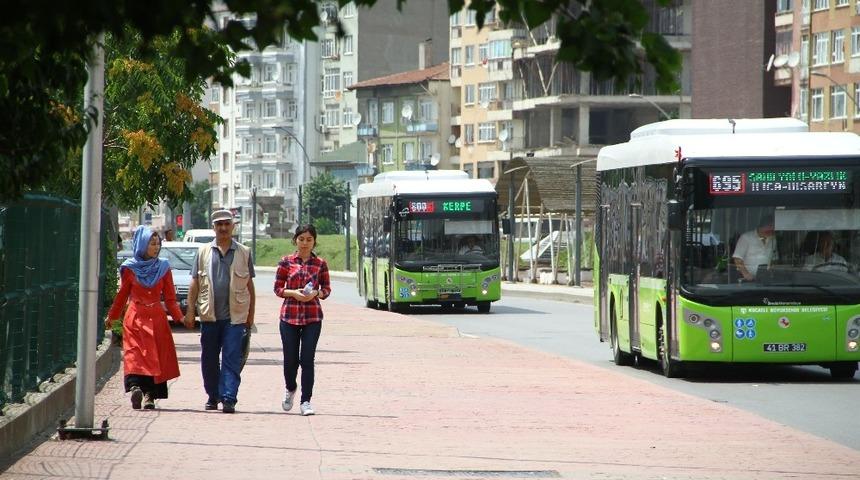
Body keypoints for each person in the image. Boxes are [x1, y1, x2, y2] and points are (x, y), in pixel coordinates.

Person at [105, 225, 186, 410]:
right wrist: (112, 317)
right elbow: (122, 295)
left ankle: (150, 396)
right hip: (135, 318)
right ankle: (135, 388)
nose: (156, 248)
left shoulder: (164, 267)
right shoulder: (129, 268)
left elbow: (171, 298)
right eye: (152, 243)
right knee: (134, 354)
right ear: (142, 245)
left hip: (157, 319)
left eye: (158, 244)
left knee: (155, 356)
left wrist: (180, 318)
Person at [183, 210, 255, 413]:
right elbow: (195, 284)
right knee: (209, 359)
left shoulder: (244, 252)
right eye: (219, 225)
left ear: (233, 227)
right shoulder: (203, 252)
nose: (223, 228)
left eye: (226, 224)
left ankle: (229, 397)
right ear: (213, 227)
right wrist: (190, 311)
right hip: (209, 316)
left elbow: (250, 286)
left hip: (235, 317)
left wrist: (250, 315)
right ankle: (213, 396)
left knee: (232, 357)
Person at [273, 224, 331, 416]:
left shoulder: (320, 263)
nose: (305, 243)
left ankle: (306, 400)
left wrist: (317, 293)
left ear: (314, 242)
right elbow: (278, 289)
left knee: (307, 359)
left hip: (312, 317)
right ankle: (290, 387)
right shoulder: (286, 262)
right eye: (301, 239)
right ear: (295, 240)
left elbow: (326, 289)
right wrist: (294, 294)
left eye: (309, 240)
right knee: (290, 359)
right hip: (289, 316)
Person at [732, 214, 777, 281]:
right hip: (748, 280)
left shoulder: (773, 239)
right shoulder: (746, 238)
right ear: (761, 226)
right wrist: (746, 274)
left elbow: (774, 259)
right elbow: (737, 258)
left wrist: (772, 272)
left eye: (773, 227)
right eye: (770, 226)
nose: (772, 229)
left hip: (767, 280)